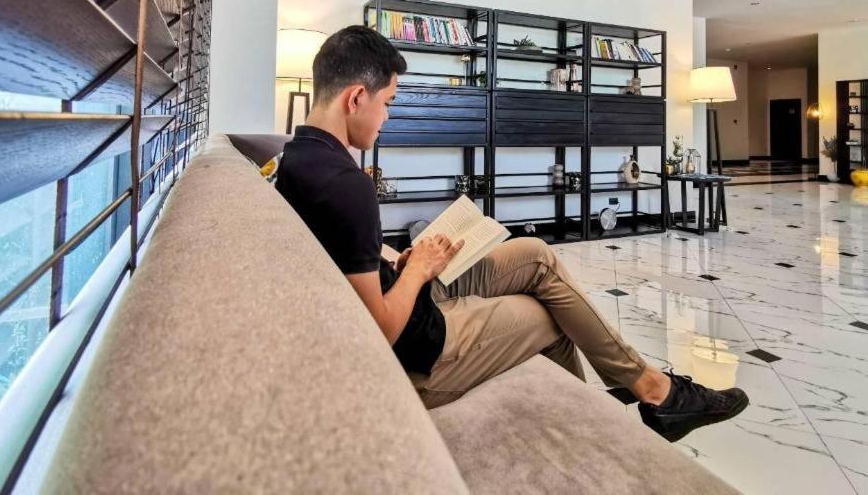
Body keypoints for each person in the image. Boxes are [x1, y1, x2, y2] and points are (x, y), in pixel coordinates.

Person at [276, 25, 748, 441]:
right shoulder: (346, 185)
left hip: (405, 289)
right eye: (388, 104)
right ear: (356, 97)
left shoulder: (295, 159)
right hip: (419, 350)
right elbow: (378, 329)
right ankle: (618, 418)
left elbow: (345, 256)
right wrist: (417, 271)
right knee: (548, 315)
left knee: (536, 254)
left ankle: (647, 390)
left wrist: (400, 259)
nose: (387, 118)